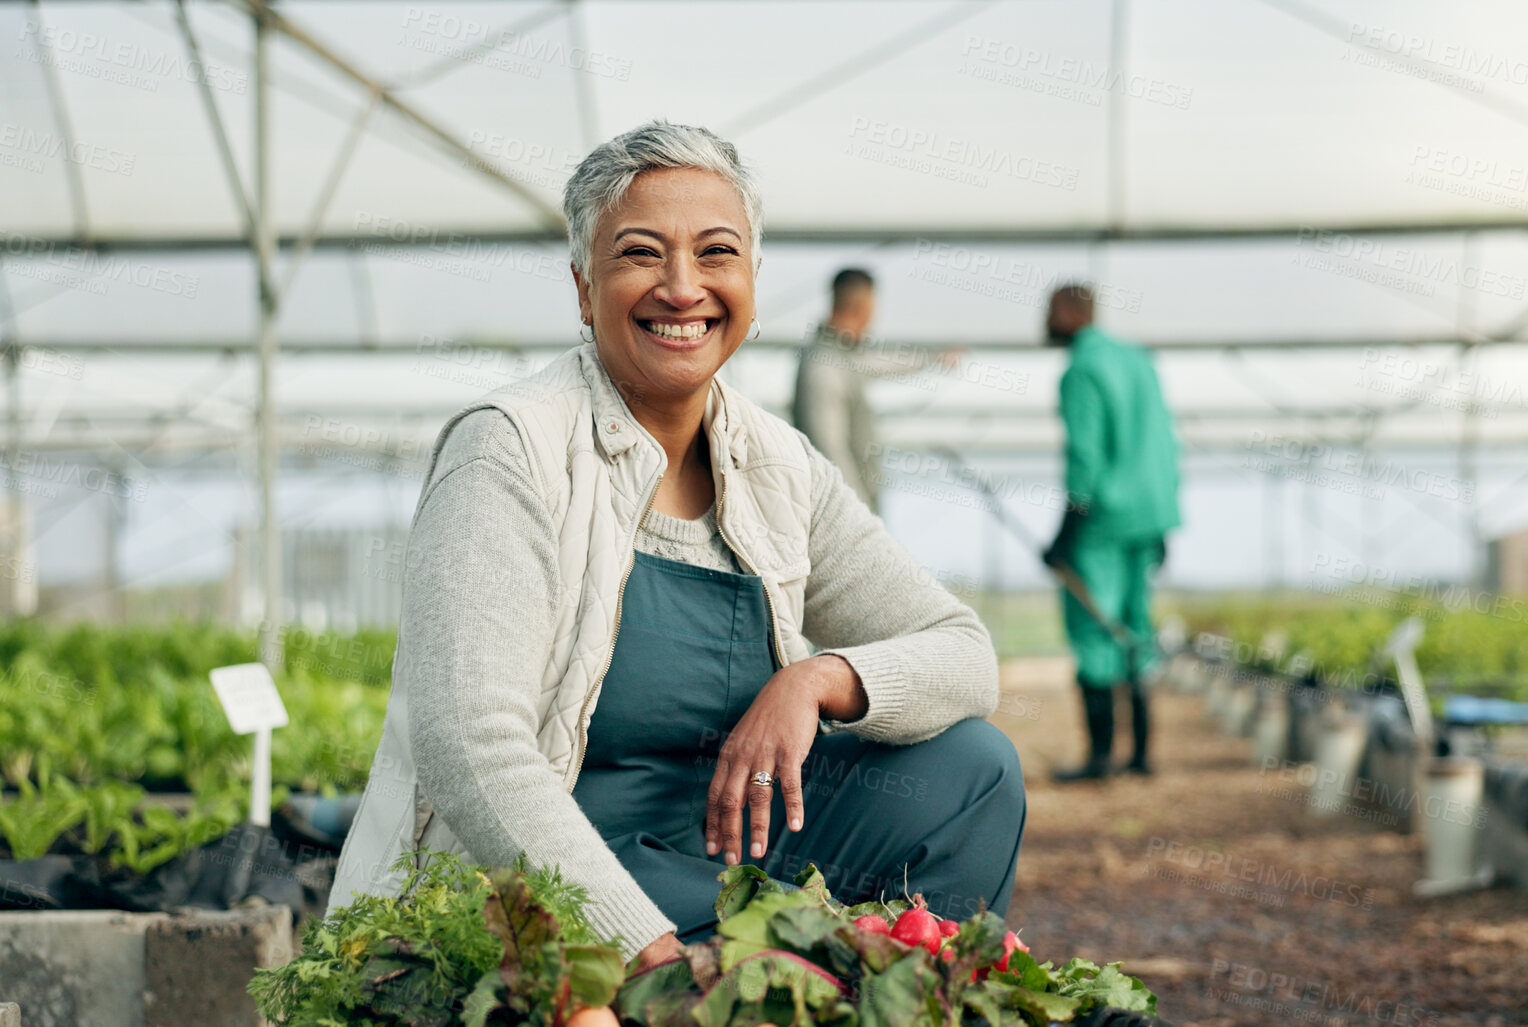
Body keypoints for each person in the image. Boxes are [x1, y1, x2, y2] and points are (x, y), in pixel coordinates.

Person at [329, 122, 1025, 979]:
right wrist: (646, 951)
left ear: (754, 283)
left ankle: (892, 989)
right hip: (540, 886)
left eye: (716, 252)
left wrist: (815, 678)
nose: (683, 287)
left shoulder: (778, 465)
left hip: (727, 865)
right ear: (584, 289)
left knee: (973, 768)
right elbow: (469, 740)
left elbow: (963, 652)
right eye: (640, 254)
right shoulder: (511, 449)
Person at [1041, 284, 1181, 781]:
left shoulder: (1082, 369)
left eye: (1048, 311)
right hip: (1151, 513)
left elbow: (1086, 454)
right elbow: (1166, 439)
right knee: (1134, 626)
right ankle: (1142, 756)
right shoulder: (1139, 361)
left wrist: (1065, 532)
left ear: (1066, 312)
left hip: (1102, 517)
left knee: (1094, 627)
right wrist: (1166, 516)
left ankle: (1101, 758)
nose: (1044, 322)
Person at [791, 269, 961, 512]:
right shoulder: (823, 367)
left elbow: (881, 361)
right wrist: (859, 513)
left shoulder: (842, 355)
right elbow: (830, 449)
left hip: (851, 508)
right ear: (862, 310)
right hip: (841, 514)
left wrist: (935, 358)